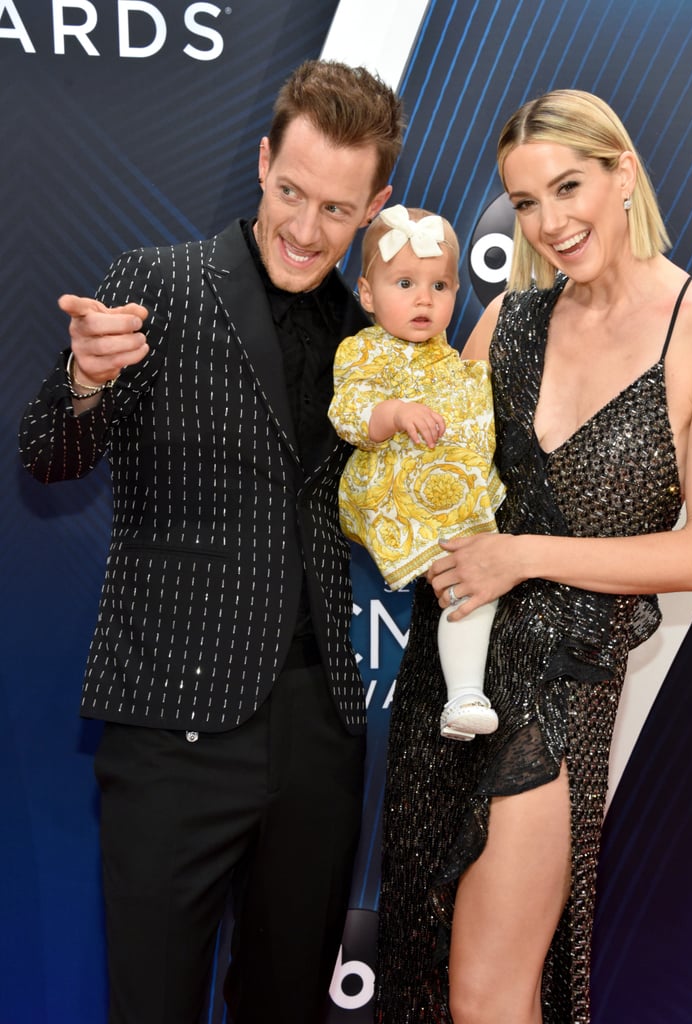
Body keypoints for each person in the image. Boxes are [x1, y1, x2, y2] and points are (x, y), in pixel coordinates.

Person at [18, 59, 404, 1024]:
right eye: (290, 194)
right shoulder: (157, 285)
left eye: (336, 210)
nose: (305, 230)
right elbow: (48, 454)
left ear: (376, 208)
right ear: (263, 160)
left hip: (319, 736)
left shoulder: (373, 343)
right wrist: (84, 382)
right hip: (170, 732)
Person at [375, 89, 692, 1024]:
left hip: (554, 700)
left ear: (622, 173)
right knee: (424, 971)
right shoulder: (506, 321)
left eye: (567, 187)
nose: (549, 223)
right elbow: (439, 475)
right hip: (451, 681)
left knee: (490, 994)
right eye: (524, 203)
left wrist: (519, 556)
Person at [329, 204, 505, 742]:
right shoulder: (362, 351)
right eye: (405, 282)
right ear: (366, 294)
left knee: (473, 575)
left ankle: (465, 693)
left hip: (440, 489)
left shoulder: (449, 358)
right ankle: (465, 692)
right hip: (387, 488)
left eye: (441, 285)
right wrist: (397, 413)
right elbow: (350, 412)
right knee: (464, 573)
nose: (424, 299)